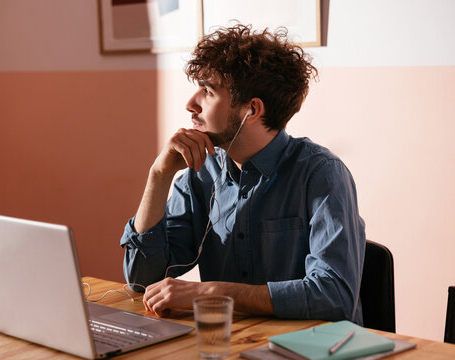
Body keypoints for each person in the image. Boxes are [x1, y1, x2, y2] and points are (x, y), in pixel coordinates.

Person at [119, 24, 366, 324]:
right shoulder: (202, 172)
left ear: (251, 110)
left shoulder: (321, 175)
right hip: (231, 346)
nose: (190, 104)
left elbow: (334, 297)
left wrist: (211, 293)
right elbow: (142, 281)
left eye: (208, 92)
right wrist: (158, 175)